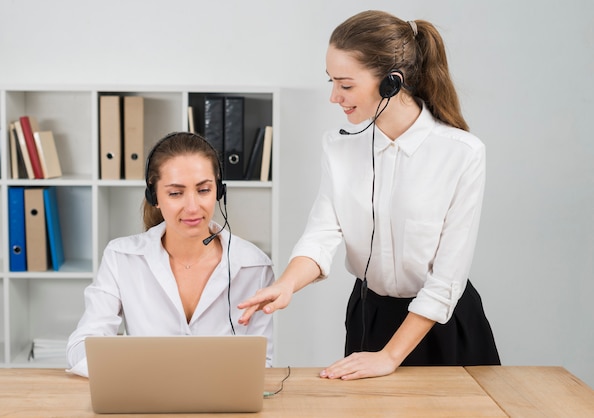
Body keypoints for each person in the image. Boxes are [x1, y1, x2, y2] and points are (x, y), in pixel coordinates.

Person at [238, 10, 500, 380]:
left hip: (442, 323)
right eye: (331, 82)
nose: (334, 97)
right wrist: (286, 285)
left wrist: (390, 356)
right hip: (371, 318)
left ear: (392, 82)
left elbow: (447, 279)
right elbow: (322, 234)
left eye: (345, 85)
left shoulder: (462, 152)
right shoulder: (339, 147)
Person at [67, 132, 274, 377]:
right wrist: (138, 371)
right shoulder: (121, 257)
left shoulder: (255, 266)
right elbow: (81, 348)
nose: (193, 207)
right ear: (154, 197)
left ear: (219, 191)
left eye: (204, 190)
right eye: (176, 193)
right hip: (145, 402)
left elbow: (263, 363)